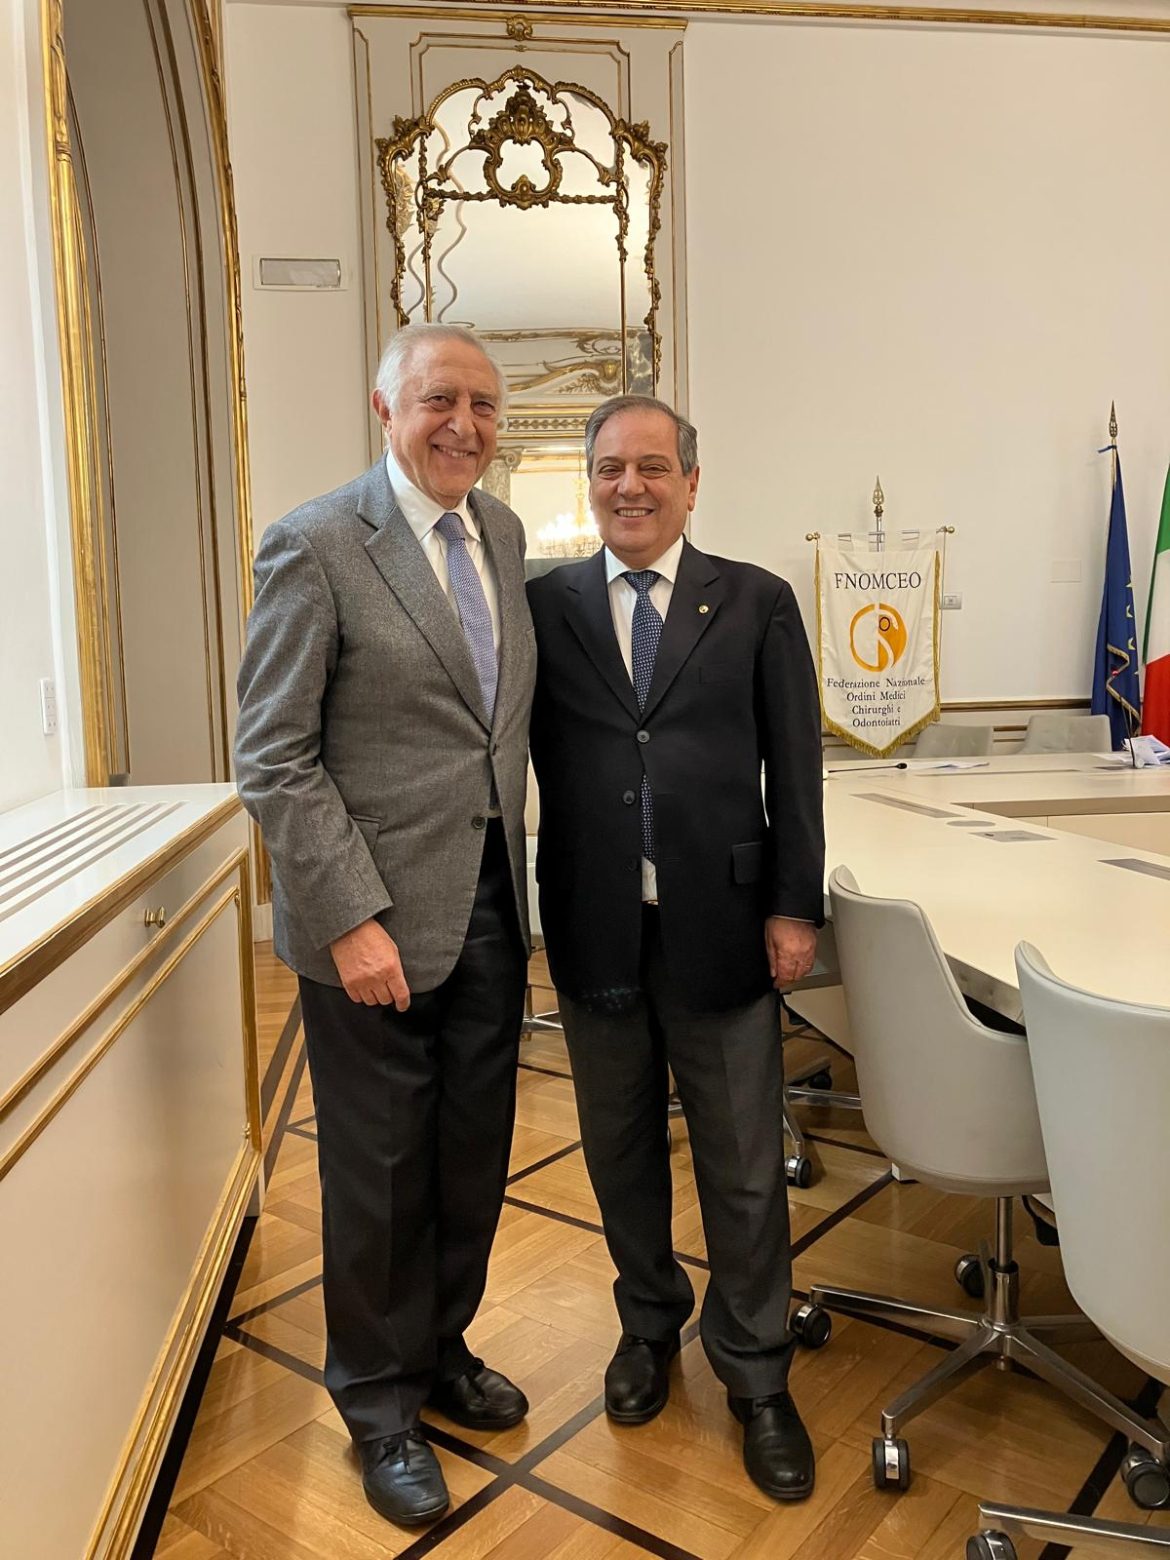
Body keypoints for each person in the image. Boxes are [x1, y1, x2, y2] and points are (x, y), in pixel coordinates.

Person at [235, 323, 536, 1527]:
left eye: (484, 405)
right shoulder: (315, 543)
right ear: (385, 408)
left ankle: (440, 1348)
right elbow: (274, 755)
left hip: (490, 908)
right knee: (379, 1176)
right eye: (438, 400)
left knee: (469, 1159)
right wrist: (349, 917)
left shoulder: (503, 532)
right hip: (369, 926)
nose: (464, 423)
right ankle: (377, 1404)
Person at [527, 394, 825, 1501]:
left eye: (653, 467)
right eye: (611, 467)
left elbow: (796, 765)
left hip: (726, 925)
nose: (631, 487)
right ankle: (649, 1324)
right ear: (590, 482)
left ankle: (756, 1370)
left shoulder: (756, 601)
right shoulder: (543, 604)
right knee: (617, 1151)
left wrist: (794, 907)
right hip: (594, 921)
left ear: (692, 483)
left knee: (742, 1165)